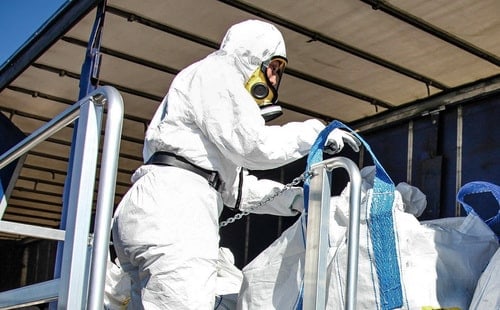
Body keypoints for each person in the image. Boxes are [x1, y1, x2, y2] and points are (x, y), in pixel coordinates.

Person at [111, 19, 359, 309]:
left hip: (156, 204)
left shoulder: (203, 101)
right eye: (274, 68)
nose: (275, 80)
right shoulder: (219, 71)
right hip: (176, 211)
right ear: (256, 55)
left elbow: (238, 191)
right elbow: (254, 146)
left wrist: (299, 200)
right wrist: (316, 133)